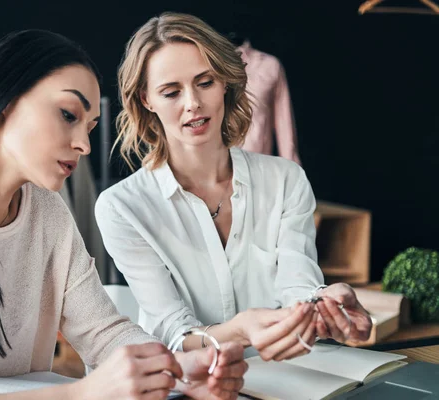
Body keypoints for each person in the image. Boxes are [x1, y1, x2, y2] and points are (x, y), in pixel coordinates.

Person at [0, 30, 248, 400]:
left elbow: (103, 333)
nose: (85, 145)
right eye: (69, 115)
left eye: (90, 126)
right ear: (4, 100)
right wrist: (78, 395)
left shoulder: (48, 213)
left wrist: (177, 369)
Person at [95, 12, 372, 361]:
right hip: (187, 382)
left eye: (205, 82)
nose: (192, 103)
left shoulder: (286, 180)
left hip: (286, 375)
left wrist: (325, 304)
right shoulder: (121, 207)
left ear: (224, 82)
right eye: (171, 91)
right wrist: (241, 331)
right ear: (146, 99)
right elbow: (173, 332)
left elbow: (297, 284)